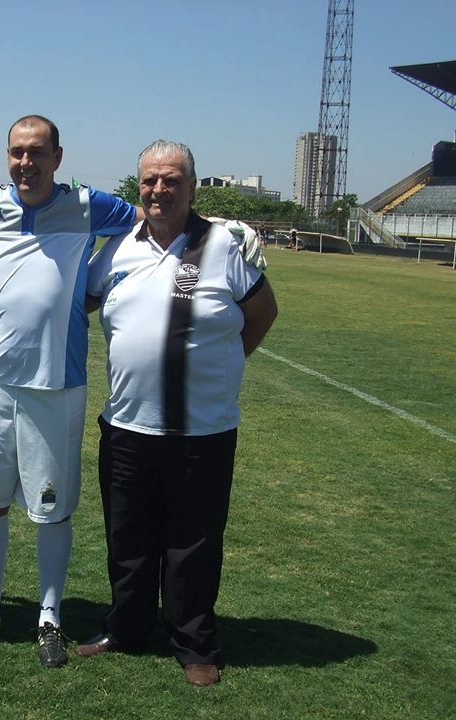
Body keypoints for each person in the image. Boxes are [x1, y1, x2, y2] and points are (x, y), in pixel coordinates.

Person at [0, 115, 142, 668]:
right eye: (16, 152)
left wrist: (95, 284)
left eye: (36, 153)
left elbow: (144, 222)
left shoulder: (87, 205)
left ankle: (49, 617)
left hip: (57, 386)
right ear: (6, 156)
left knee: (51, 510)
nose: (25, 163)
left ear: (57, 157)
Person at [79, 140, 277, 686]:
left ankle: (194, 644)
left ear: (192, 186)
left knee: (192, 541)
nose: (159, 190)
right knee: (128, 538)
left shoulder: (223, 246)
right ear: (137, 186)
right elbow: (80, 301)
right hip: (125, 424)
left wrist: (224, 367)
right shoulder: (116, 248)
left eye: (171, 180)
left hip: (202, 430)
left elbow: (262, 313)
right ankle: (125, 628)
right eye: (149, 181)